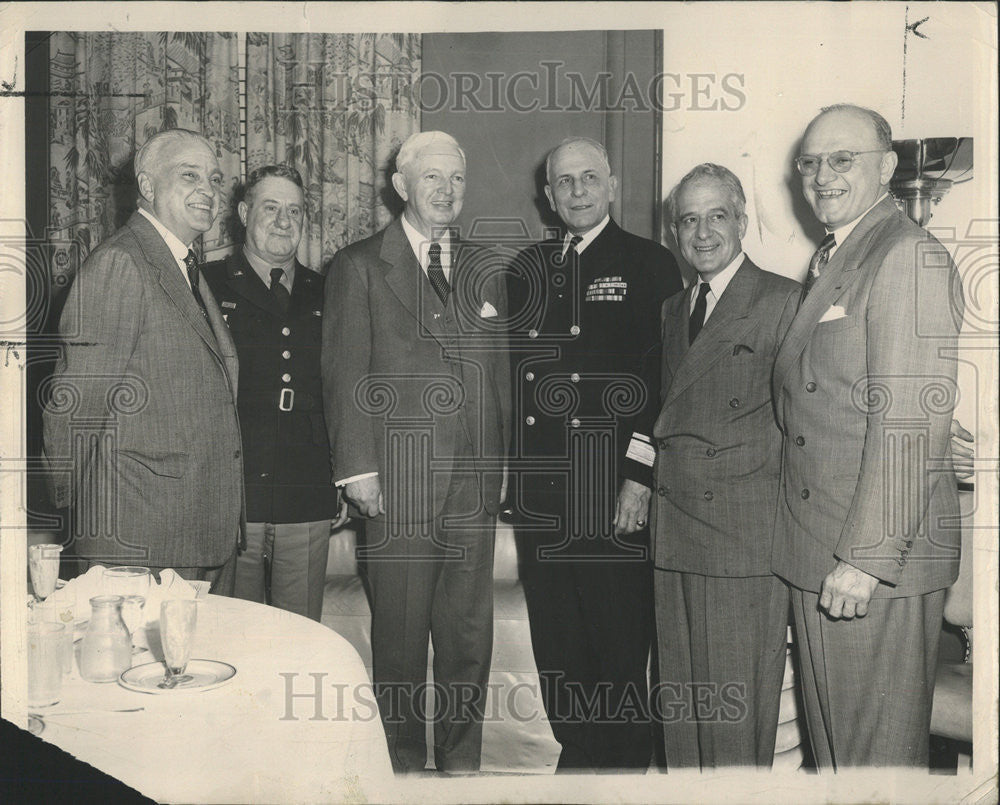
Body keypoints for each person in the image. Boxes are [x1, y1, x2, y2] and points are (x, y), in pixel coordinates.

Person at [772, 104, 964, 767]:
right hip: (823, 547)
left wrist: (865, 559)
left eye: (842, 159)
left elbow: (911, 418)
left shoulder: (905, 252)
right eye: (810, 162)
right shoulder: (843, 253)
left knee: (872, 764)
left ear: (887, 166)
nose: (822, 176)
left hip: (869, 562)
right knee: (838, 764)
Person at [322, 131, 510, 774]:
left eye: (455, 179)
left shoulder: (488, 268)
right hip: (395, 483)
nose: (445, 190)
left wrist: (501, 465)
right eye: (431, 178)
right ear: (401, 186)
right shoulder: (359, 266)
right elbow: (344, 373)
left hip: (473, 484)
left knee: (466, 639)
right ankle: (399, 770)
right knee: (400, 641)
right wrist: (357, 469)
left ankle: (461, 770)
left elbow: (499, 373)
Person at [507, 137, 682, 771]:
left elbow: (664, 379)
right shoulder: (525, 268)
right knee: (557, 642)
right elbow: (515, 379)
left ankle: (623, 769)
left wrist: (638, 478)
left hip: (609, 488)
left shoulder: (649, 262)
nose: (577, 191)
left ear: (611, 187)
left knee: (617, 641)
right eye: (564, 182)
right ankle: (579, 759)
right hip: (543, 493)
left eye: (589, 178)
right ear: (547, 195)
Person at [42, 128, 243, 593]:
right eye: (189, 175)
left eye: (214, 179)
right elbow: (74, 405)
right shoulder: (121, 263)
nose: (208, 191)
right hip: (135, 539)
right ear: (147, 187)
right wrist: (80, 515)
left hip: (192, 531)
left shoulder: (183, 266)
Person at [650, 164, 801, 768]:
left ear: (741, 221)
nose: (703, 232)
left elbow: (803, 427)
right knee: (681, 712)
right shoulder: (672, 309)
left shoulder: (782, 300)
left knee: (732, 717)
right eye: (689, 219)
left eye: (717, 216)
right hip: (675, 532)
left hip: (741, 542)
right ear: (674, 233)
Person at [202, 165, 347, 621]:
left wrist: (343, 473)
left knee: (301, 629)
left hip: (305, 482)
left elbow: (344, 389)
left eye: (295, 210)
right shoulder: (206, 284)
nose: (284, 221)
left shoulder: (328, 291)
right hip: (231, 485)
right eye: (271, 208)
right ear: (244, 213)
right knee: (230, 632)